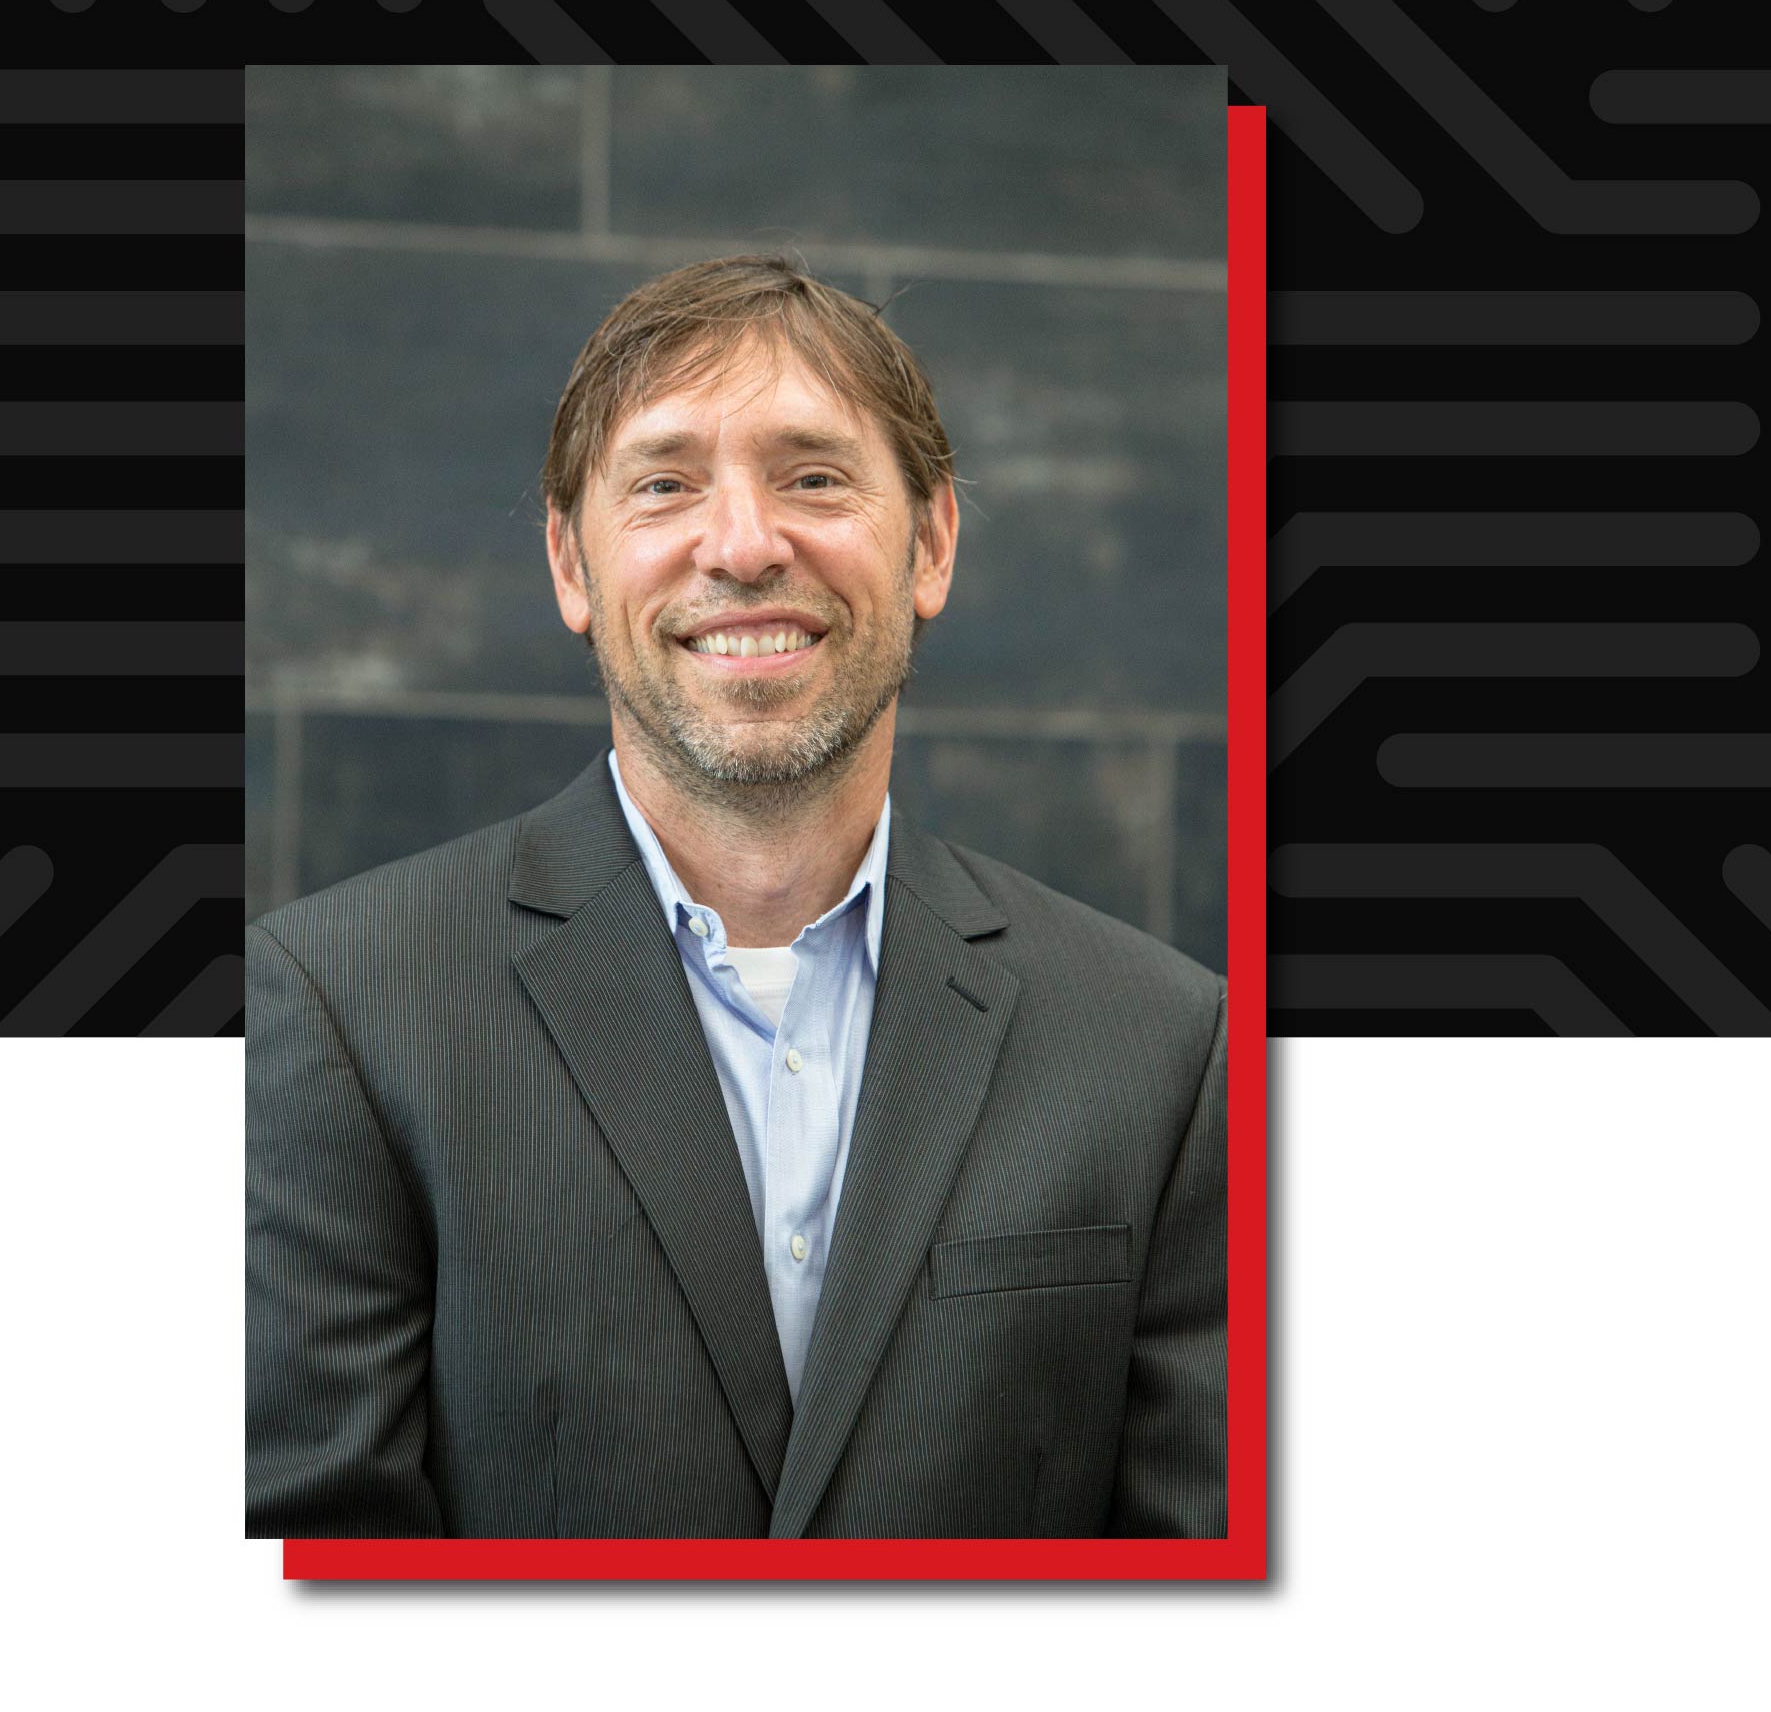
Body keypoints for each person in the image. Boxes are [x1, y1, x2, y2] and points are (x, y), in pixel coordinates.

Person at [246, 254, 1226, 1539]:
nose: (746, 545)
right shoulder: (339, 1006)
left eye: (814, 478)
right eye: (664, 486)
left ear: (930, 545)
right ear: (572, 566)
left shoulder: (1162, 1043)